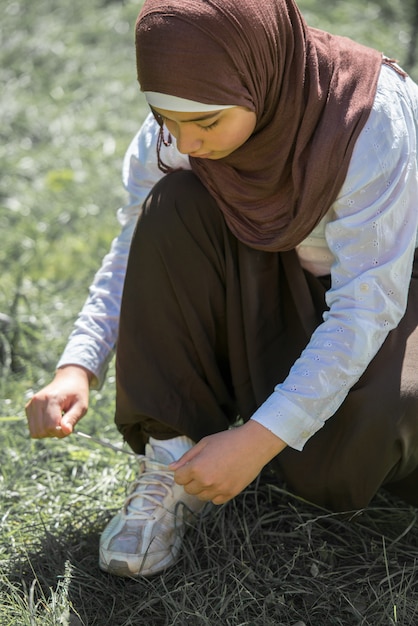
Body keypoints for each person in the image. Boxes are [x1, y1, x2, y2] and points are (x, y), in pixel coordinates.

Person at [26, 0, 418, 579]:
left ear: (259, 75)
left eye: (208, 123)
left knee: (335, 469)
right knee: (171, 208)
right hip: (271, 283)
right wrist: (78, 366)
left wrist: (259, 441)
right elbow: (134, 251)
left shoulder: (369, 118)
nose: (187, 142)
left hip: (389, 296)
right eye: (166, 117)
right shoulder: (181, 121)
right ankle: (171, 456)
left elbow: (368, 305)